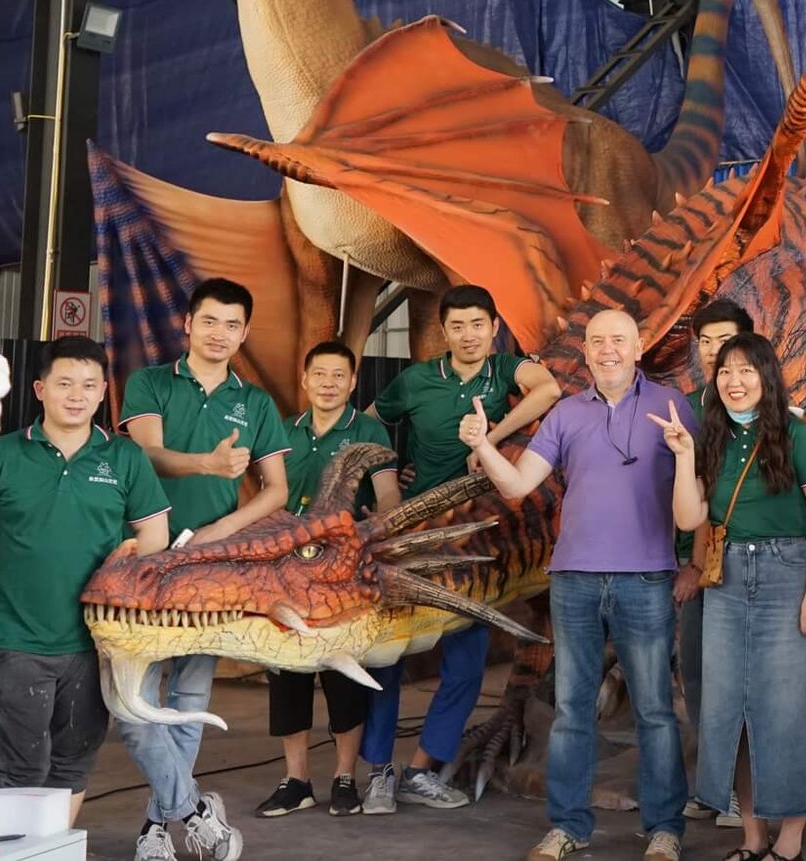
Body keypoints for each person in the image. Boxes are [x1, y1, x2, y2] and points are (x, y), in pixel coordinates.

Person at [463, 309, 692, 861]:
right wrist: (485, 445)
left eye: (619, 340)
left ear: (639, 348)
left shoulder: (672, 405)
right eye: (597, 341)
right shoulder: (566, 413)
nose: (608, 350)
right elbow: (518, 484)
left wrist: (696, 560)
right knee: (571, 709)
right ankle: (568, 826)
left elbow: (699, 489)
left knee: (655, 710)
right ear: (585, 351)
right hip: (574, 580)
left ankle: (665, 828)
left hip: (646, 577)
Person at [0, 338, 170, 826]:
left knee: (74, 759)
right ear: (40, 389)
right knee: (18, 765)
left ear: (103, 392)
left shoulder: (125, 458)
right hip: (21, 641)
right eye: (65, 383)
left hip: (95, 641)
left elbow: (155, 535)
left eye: (89, 385)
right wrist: (13, 591)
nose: (77, 395)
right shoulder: (2, 454)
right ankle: (9, 852)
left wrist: (117, 588)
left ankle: (51, 848)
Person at [364, 284, 563, 812]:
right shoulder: (416, 380)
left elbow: (547, 389)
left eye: (478, 324)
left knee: (467, 661)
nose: (469, 335)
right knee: (387, 655)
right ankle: (378, 771)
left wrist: (491, 438)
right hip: (412, 537)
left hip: (476, 540)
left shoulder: (505, 371)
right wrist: (386, 486)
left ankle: (422, 769)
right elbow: (368, 423)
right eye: (457, 326)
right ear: (443, 331)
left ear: (494, 327)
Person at [119, 277, 290, 861]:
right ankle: (192, 809)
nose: (220, 333)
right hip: (144, 557)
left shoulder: (256, 402)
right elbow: (146, 454)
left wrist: (223, 530)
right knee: (134, 701)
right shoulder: (149, 383)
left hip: (211, 565)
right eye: (210, 321)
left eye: (232, 325)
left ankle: (155, 827)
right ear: (188, 324)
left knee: (189, 694)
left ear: (245, 334)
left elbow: (276, 490)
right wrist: (208, 465)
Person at [661, 332, 806, 861]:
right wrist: (684, 456)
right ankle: (752, 838)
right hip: (727, 580)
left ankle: (789, 843)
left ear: (766, 376)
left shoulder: (795, 435)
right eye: (724, 371)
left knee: (790, 710)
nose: (734, 381)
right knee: (729, 713)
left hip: (788, 575)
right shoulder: (711, 437)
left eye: (745, 370)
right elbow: (689, 518)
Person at [255, 341, 402, 819]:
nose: (328, 383)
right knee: (286, 673)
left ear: (353, 382)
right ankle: (296, 781)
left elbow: (388, 494)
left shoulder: (368, 430)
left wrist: (379, 523)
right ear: (305, 379)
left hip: (342, 575)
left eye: (339, 375)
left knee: (343, 676)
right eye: (320, 374)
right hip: (285, 573)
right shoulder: (283, 430)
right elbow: (267, 495)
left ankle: (344, 778)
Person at [681, 297, 755, 830]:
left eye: (724, 341)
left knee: (741, 681)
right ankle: (714, 785)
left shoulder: (766, 411)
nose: (713, 352)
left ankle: (741, 790)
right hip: (694, 561)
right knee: (698, 674)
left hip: (745, 565)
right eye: (705, 342)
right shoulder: (686, 406)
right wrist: (691, 564)